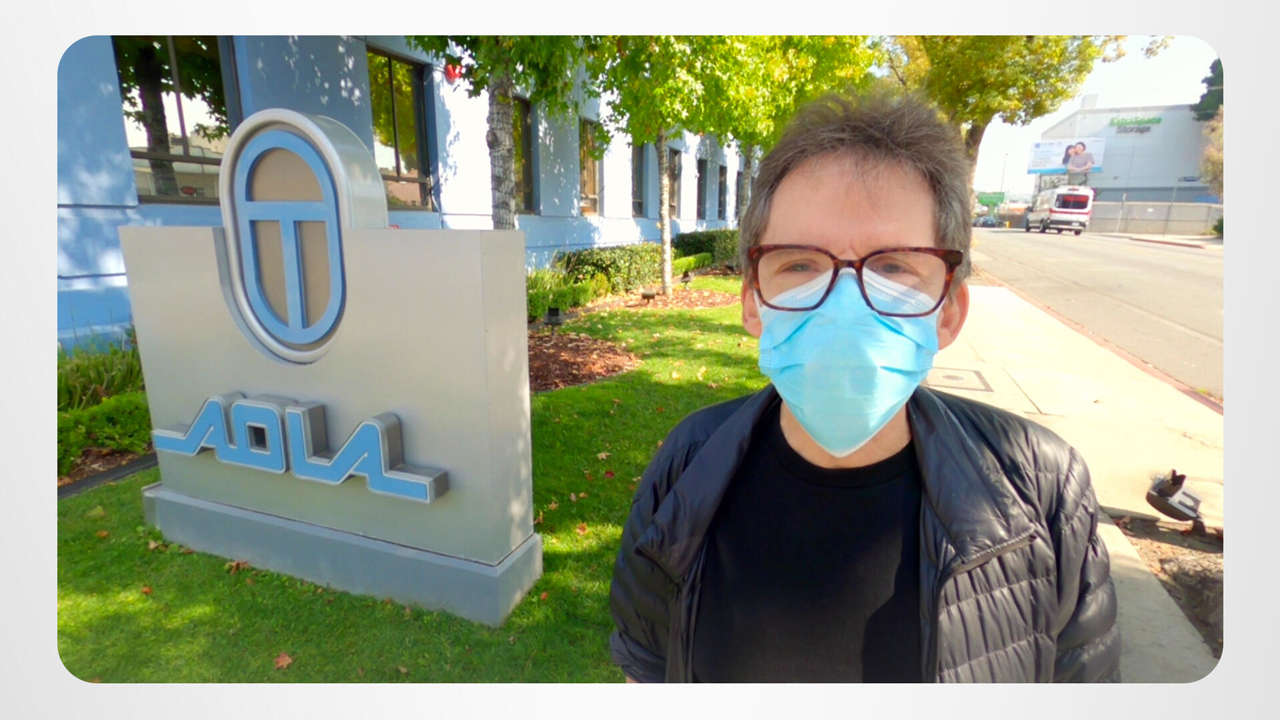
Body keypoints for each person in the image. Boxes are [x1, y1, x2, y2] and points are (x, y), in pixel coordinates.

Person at [608, 91, 1120, 683]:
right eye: (800, 264)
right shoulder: (687, 467)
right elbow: (645, 671)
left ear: (949, 311)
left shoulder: (1040, 490)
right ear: (752, 302)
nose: (844, 304)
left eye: (894, 266)